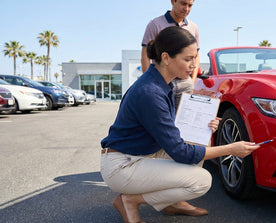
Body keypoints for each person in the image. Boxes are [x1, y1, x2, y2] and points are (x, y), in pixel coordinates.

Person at [100, 26, 260, 223]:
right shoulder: (150, 92)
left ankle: (170, 203)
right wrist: (230, 149)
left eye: (195, 58)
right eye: (187, 59)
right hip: (122, 166)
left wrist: (204, 125)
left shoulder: (162, 83)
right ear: (166, 58)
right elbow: (180, 152)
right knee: (202, 181)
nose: (194, 66)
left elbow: (171, 134)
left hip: (139, 154)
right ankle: (131, 200)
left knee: (197, 145)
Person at [141, 0, 200, 111]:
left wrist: (193, 80)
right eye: (183, 3)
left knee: (184, 120)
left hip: (185, 83)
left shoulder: (193, 27)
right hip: (162, 82)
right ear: (173, 1)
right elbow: (145, 55)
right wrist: (149, 82)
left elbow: (196, 55)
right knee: (162, 118)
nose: (186, 8)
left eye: (190, 5)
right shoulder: (155, 24)